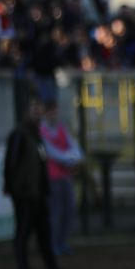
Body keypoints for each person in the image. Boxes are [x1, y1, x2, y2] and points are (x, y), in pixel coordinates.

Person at [3, 96, 73, 269]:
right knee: (23, 234)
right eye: (33, 107)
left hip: (39, 194)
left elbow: (41, 164)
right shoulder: (19, 134)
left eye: (39, 108)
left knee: (44, 234)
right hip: (25, 194)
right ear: (25, 111)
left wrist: (44, 189)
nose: (37, 111)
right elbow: (11, 164)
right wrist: (15, 189)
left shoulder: (36, 135)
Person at [39, 98, 83, 258]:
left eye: (55, 111)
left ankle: (62, 242)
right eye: (50, 111)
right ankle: (53, 244)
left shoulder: (61, 128)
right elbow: (52, 153)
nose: (54, 114)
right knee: (55, 212)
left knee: (69, 210)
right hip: (53, 177)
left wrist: (76, 158)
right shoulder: (42, 131)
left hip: (65, 176)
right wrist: (71, 159)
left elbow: (74, 146)